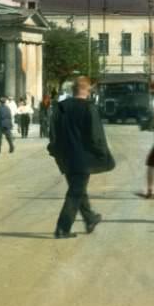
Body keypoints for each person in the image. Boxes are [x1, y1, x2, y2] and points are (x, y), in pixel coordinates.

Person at [46, 75, 111, 238]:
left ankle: (90, 218)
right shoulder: (89, 108)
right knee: (75, 192)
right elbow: (96, 136)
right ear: (87, 91)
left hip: (65, 157)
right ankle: (62, 228)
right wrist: (102, 153)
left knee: (77, 188)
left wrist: (54, 150)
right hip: (83, 158)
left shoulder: (60, 107)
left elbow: (52, 133)